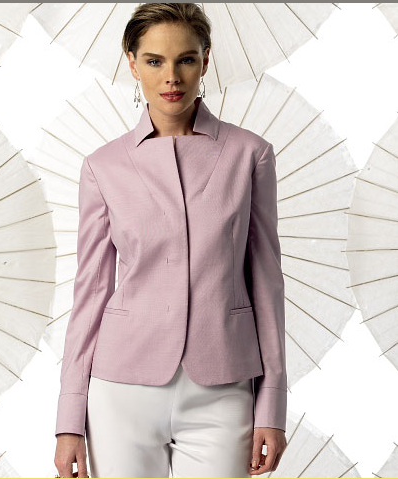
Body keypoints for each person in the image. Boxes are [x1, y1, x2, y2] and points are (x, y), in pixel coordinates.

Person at [54, 3, 287, 478]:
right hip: (121, 389)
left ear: (205, 60)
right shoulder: (103, 166)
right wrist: (68, 420)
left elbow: (267, 283)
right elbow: (91, 292)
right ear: (132, 63)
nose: (171, 77)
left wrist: (273, 405)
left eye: (185, 59)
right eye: (155, 61)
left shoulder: (250, 155)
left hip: (223, 384)